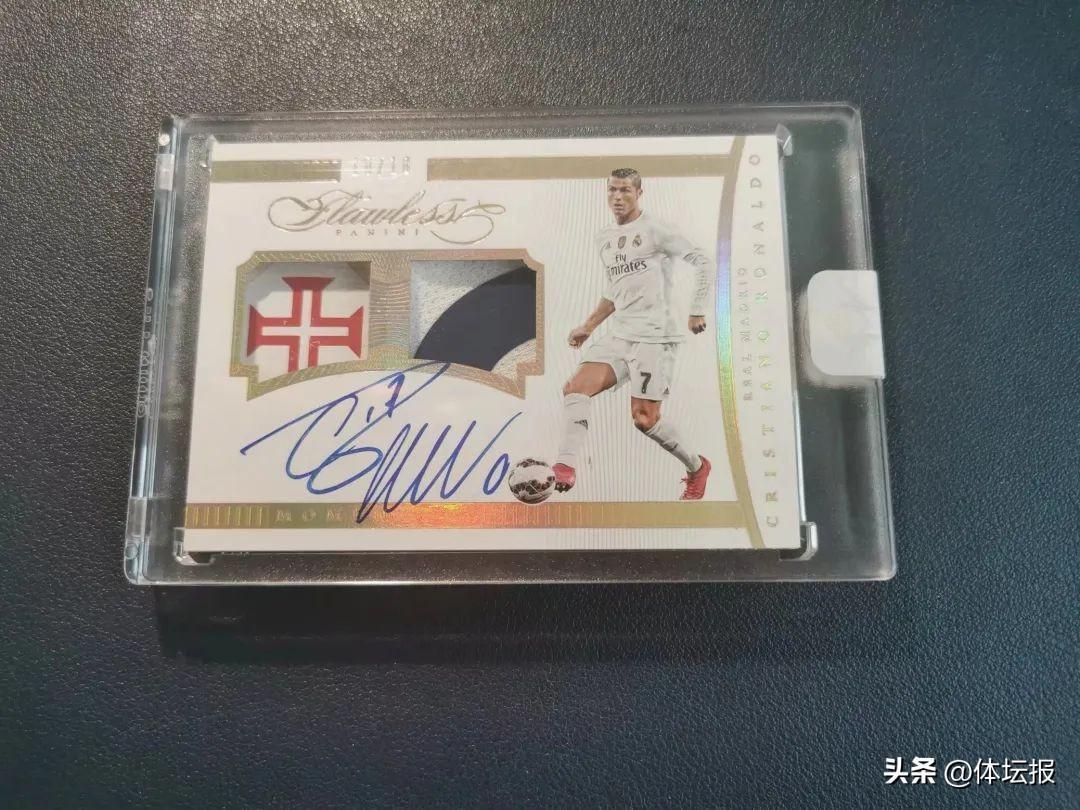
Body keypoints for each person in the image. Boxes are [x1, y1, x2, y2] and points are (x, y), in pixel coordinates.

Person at [553, 168, 712, 500]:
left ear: (639, 193)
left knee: (644, 420)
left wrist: (697, 308)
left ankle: (697, 467)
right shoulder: (604, 237)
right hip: (622, 333)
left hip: (655, 337)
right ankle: (564, 465)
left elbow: (702, 261)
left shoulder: (656, 229)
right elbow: (616, 289)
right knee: (575, 387)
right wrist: (588, 326)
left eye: (625, 190)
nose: (617, 197)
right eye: (612, 190)